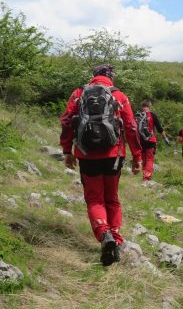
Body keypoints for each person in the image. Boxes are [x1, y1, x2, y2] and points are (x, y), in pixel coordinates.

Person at [60, 64, 142, 267]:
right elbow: (131, 127)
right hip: (114, 155)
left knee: (95, 199)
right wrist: (137, 156)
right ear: (111, 77)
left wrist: (66, 151)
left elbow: (67, 121)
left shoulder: (79, 94)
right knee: (112, 198)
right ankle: (115, 236)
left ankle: (104, 233)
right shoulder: (119, 96)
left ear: (94, 76)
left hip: (86, 155)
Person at [137, 99, 170, 182]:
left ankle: (144, 177)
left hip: (141, 141)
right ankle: (147, 178)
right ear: (149, 106)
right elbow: (160, 128)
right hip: (151, 140)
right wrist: (165, 138)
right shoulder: (152, 115)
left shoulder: (138, 115)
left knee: (144, 159)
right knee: (149, 159)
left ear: (142, 107)